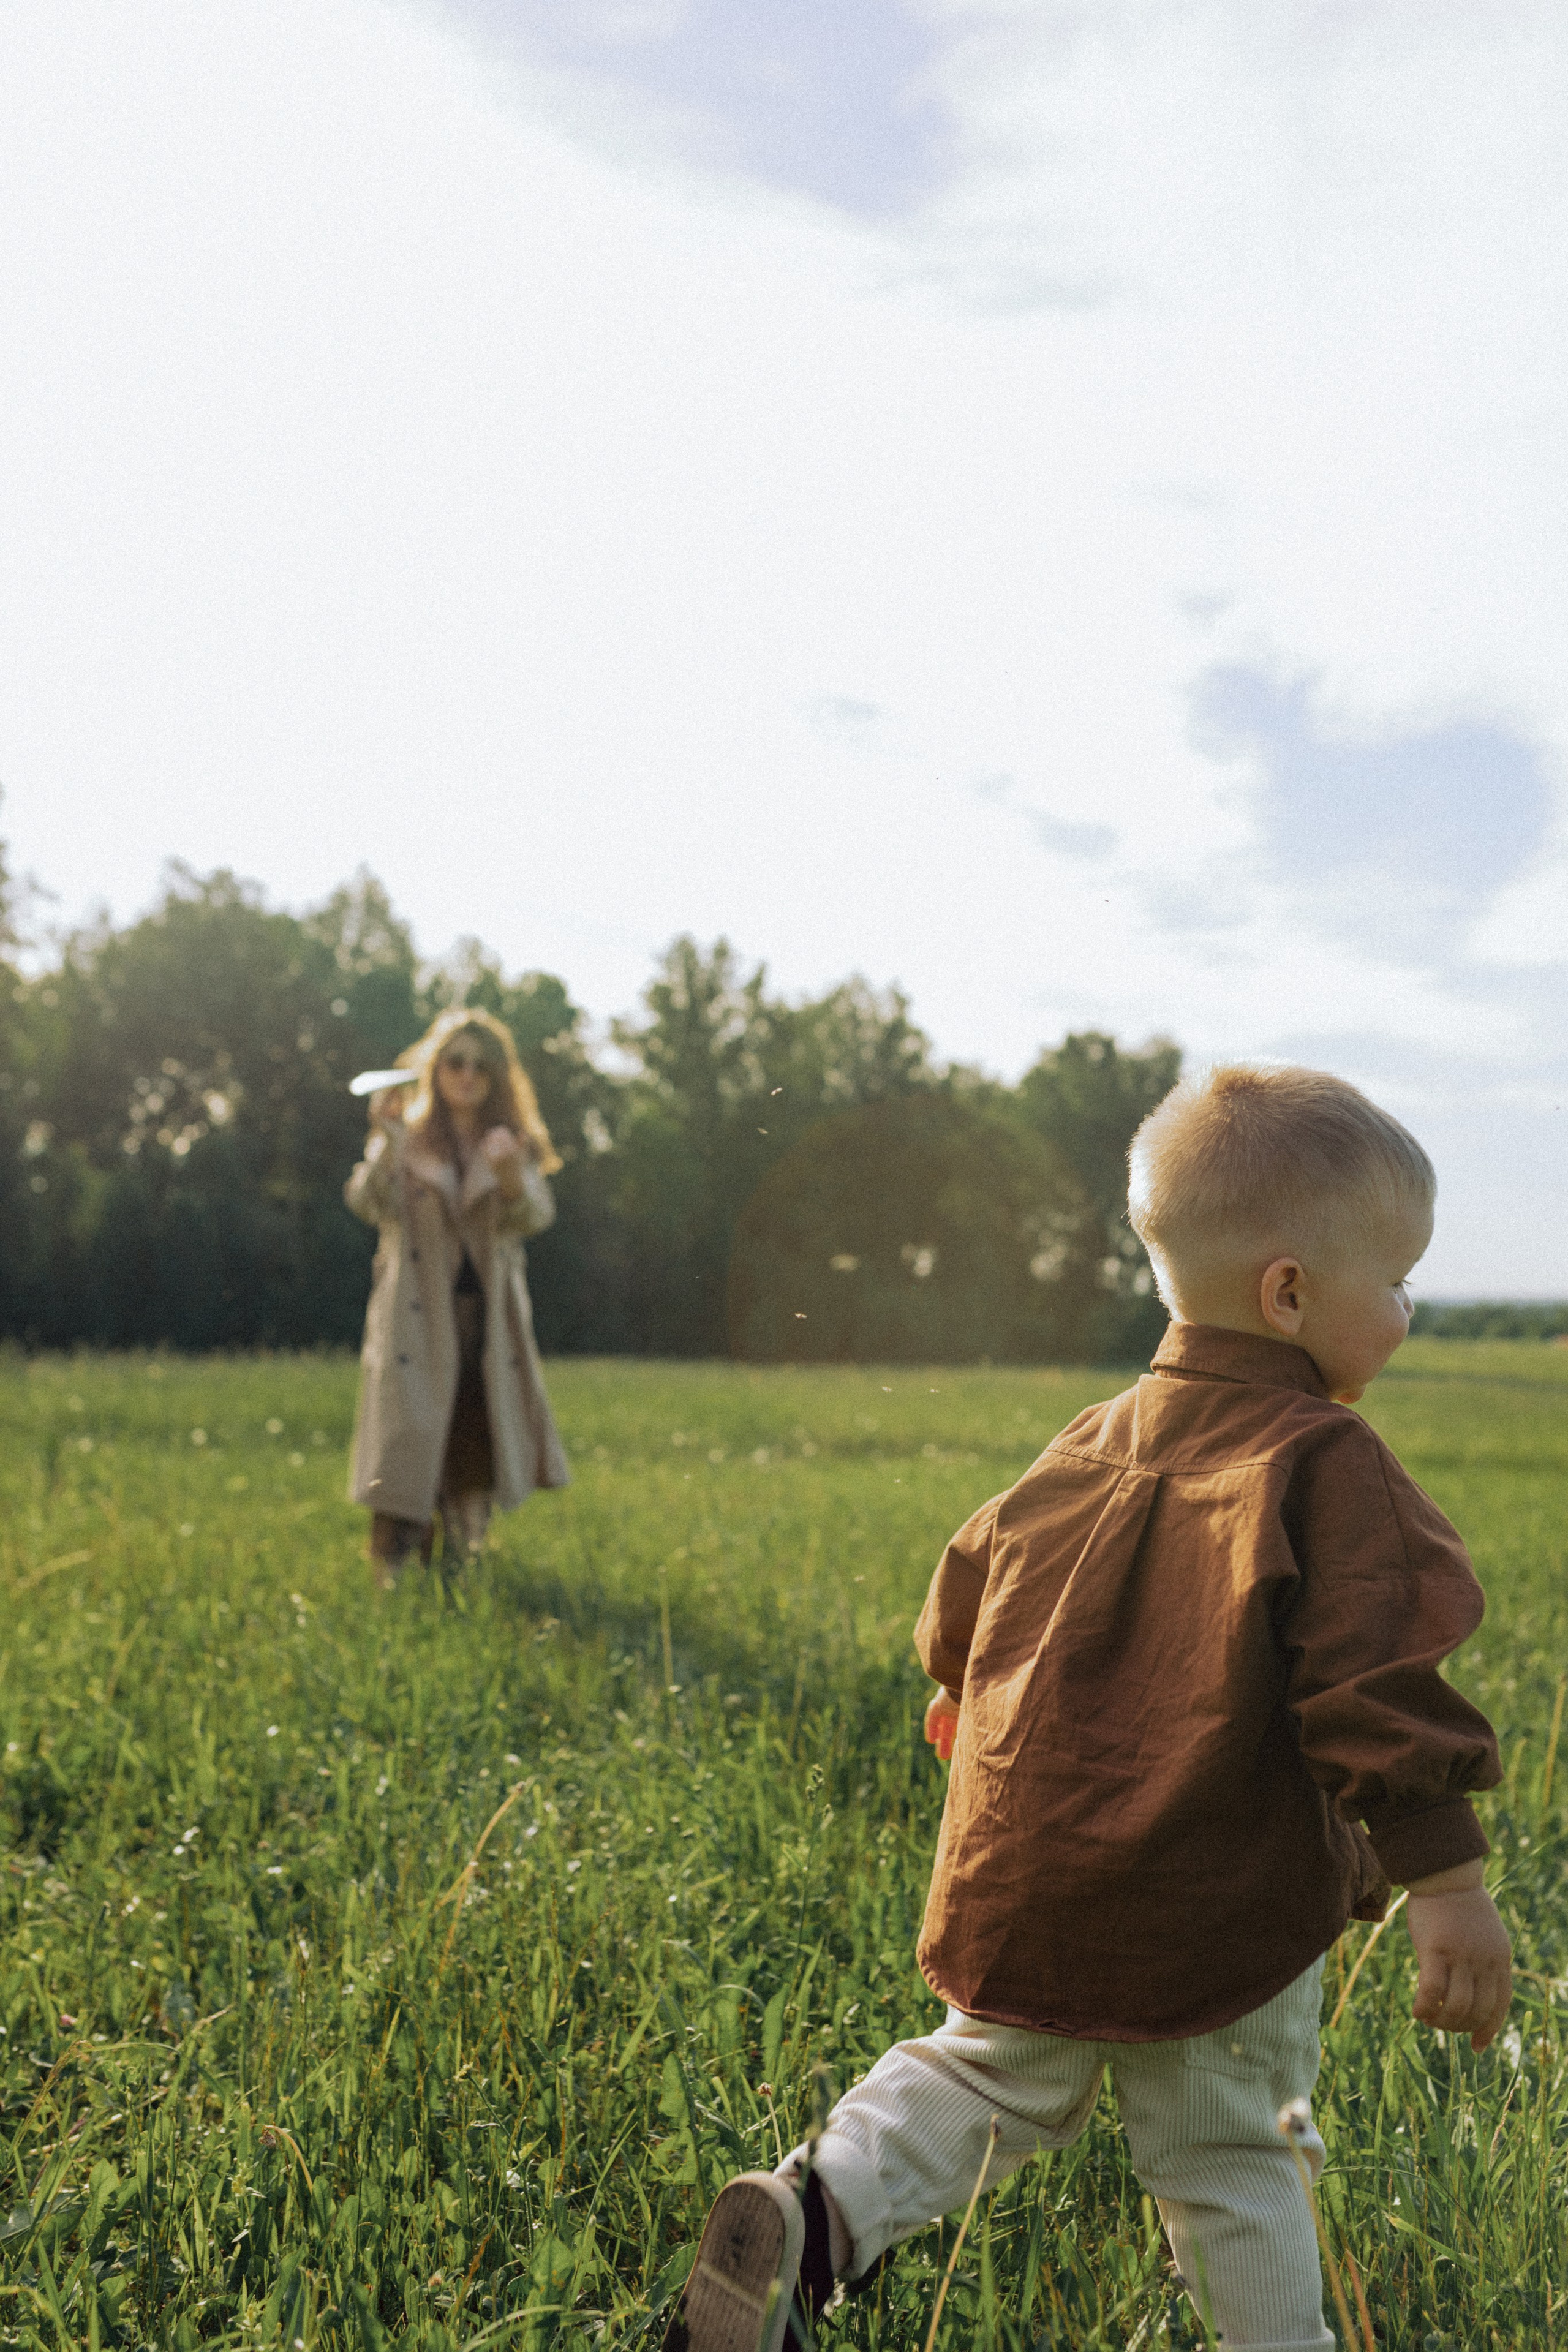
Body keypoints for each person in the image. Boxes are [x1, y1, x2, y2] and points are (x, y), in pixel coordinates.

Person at [666, 1063, 1510, 2352]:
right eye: (1392, 1282)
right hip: (1212, 1902)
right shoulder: (1320, 1460)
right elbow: (1373, 1683)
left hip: (1027, 1865)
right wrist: (1443, 1883)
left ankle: (815, 2210)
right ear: (1288, 1293)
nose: (1403, 1310)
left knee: (980, 2073)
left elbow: (958, 1607)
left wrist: (965, 1707)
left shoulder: (1081, 1442)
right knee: (1231, 2158)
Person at [344, 1006, 570, 1585]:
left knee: (475, 1429)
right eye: (455, 1063)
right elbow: (369, 1205)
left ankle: (462, 1562)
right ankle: (391, 1572)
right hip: (416, 1318)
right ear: (435, 1070)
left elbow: (537, 1216)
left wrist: (512, 1175)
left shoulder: (510, 1142)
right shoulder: (407, 1136)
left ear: (498, 1079)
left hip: (485, 1320)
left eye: (481, 1067)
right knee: (407, 1435)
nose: (467, 1075)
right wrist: (386, 1143)